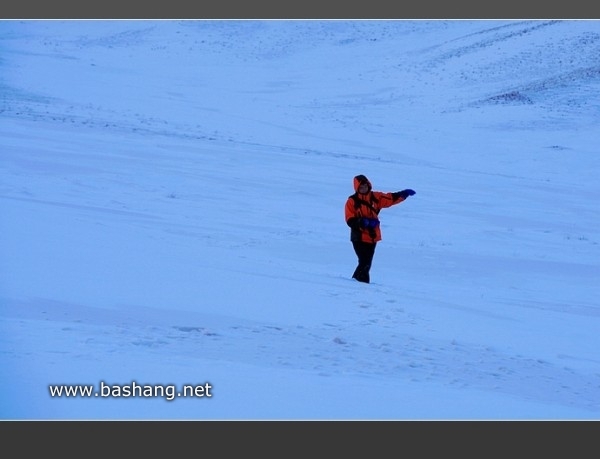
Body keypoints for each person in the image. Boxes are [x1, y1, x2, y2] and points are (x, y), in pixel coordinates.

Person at [344, 174, 415, 283]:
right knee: (364, 262)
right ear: (357, 188)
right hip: (359, 237)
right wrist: (363, 222)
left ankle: (355, 284)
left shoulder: (376, 197)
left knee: (366, 263)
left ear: (368, 185)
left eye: (365, 186)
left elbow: (390, 198)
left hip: (372, 237)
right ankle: (361, 285)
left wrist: (403, 194)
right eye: (361, 187)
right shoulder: (352, 201)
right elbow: (349, 220)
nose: (364, 188)